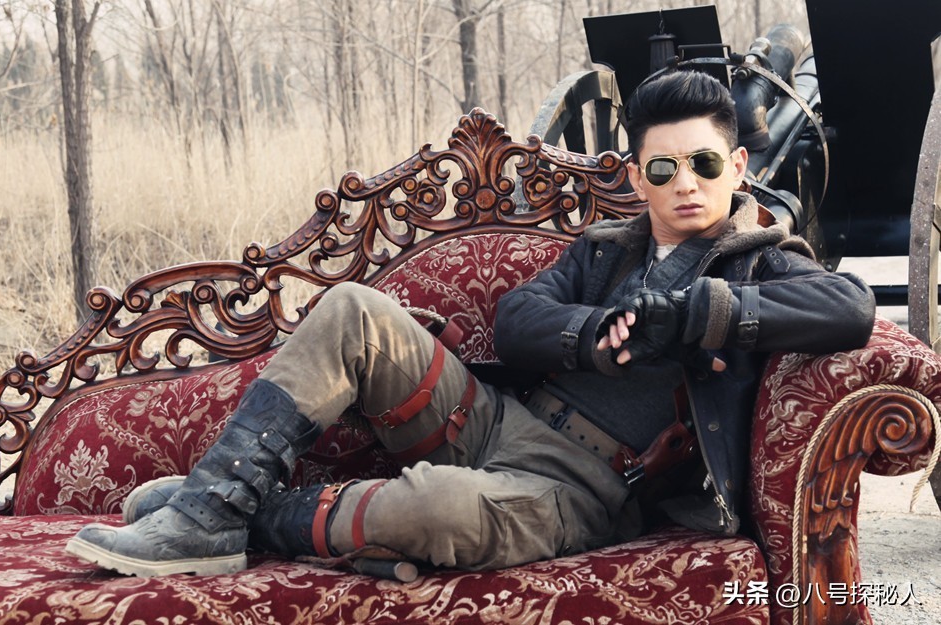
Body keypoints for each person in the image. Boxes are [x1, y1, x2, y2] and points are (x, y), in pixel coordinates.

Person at [65, 70, 875, 578]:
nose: (686, 183)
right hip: (494, 421)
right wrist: (594, 336)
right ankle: (210, 508)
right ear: (638, 178)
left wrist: (702, 314)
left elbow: (851, 309)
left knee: (440, 509)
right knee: (353, 310)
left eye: (704, 164)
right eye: (664, 167)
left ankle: (245, 512)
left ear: (737, 168)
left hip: (581, 489)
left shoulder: (761, 261)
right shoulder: (604, 249)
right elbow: (517, 320)